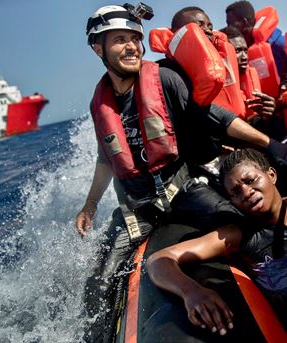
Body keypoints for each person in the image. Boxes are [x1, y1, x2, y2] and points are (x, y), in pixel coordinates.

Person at [76, 3, 287, 342]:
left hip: (182, 190)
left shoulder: (164, 79)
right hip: (138, 208)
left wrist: (272, 144)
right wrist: (89, 206)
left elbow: (216, 118)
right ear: (97, 47)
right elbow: (106, 158)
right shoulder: (99, 103)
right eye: (119, 40)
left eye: (135, 39)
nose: (131, 47)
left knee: (246, 223)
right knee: (98, 282)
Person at [146, 148, 287, 336]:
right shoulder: (239, 236)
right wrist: (192, 291)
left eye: (250, 180)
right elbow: (159, 259)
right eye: (236, 192)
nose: (246, 192)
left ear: (271, 175)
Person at [226, 1, 287, 93]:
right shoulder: (243, 46)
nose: (229, 27)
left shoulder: (280, 44)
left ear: (244, 22)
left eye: (230, 23)